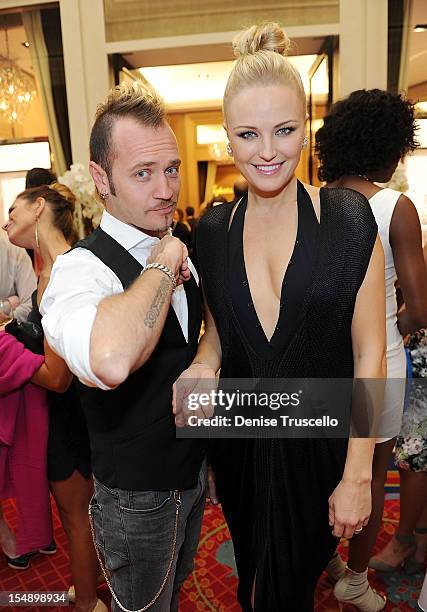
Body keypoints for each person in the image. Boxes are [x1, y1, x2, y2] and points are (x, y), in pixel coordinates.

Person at [174, 22, 387, 612]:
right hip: (242, 439)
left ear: (306, 129)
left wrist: (358, 473)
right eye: (248, 134)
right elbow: (219, 338)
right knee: (252, 586)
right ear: (227, 138)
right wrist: (200, 366)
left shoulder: (348, 218)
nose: (267, 151)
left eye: (284, 131)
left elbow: (371, 351)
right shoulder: (212, 232)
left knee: (289, 587)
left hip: (320, 443)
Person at [39, 81, 206, 612]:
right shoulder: (77, 271)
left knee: (174, 595)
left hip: (192, 475)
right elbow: (110, 360)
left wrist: (208, 360)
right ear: (100, 178)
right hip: (134, 501)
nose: (165, 190)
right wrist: (163, 259)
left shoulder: (178, 241)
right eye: (143, 173)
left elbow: (205, 334)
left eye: (172, 169)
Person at [315, 88, 427, 609]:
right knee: (369, 474)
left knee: (317, 468)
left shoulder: (310, 201)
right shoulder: (394, 208)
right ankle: (354, 581)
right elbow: (421, 310)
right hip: (376, 363)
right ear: (391, 145)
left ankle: (323, 557)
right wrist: (393, 320)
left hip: (318, 363)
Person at [2, 184, 105, 612]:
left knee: (76, 515)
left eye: (12, 209)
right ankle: (89, 587)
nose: (5, 218)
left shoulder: (65, 271)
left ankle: (88, 603)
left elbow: (58, 377)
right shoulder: (48, 268)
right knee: (83, 514)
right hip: (63, 413)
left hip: (71, 413)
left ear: (39, 206)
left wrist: (7, 353)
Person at [0, 231, 36, 322]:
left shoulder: (14, 251)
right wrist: (7, 305)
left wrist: (8, 320)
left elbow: (31, 305)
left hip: (9, 334)